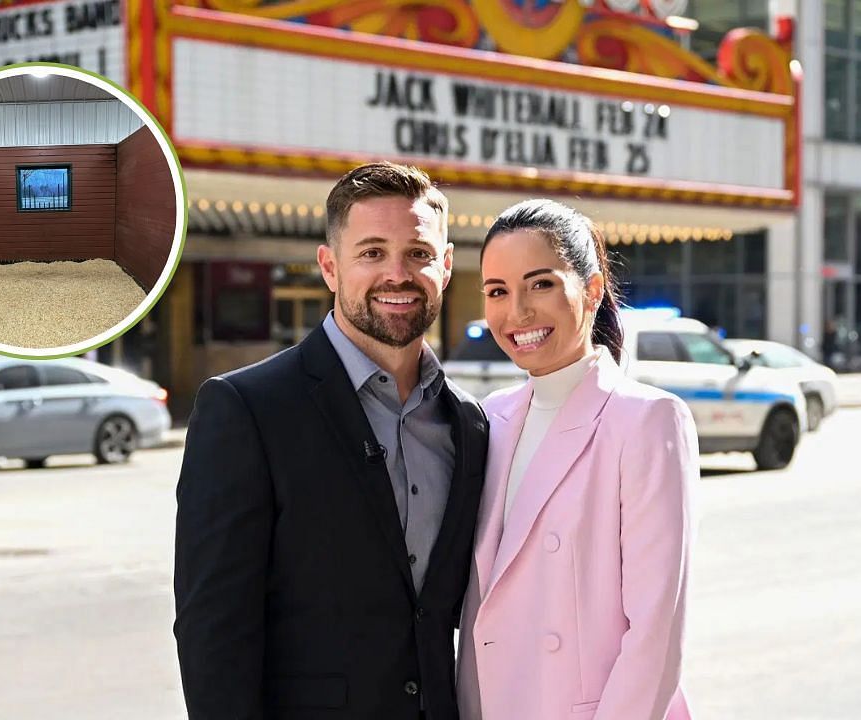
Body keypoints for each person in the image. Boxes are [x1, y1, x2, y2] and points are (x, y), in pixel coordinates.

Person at [173, 162, 488, 720]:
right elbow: (213, 626)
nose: (397, 273)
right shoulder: (247, 408)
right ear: (330, 267)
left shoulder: (469, 424)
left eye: (417, 253)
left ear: (444, 266)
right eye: (371, 252)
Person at [457, 199, 698, 720]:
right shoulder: (489, 419)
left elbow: (656, 631)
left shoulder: (646, 420)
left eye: (540, 284)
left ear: (591, 291)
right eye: (497, 291)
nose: (516, 312)